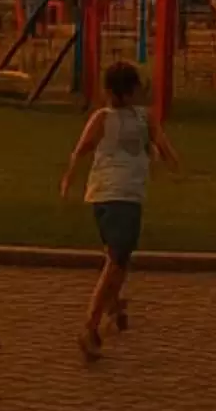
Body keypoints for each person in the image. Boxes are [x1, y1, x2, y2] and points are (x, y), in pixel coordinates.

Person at [60, 60, 179, 362]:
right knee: (116, 261)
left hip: (100, 197)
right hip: (124, 197)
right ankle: (90, 325)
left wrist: (68, 181)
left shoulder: (102, 118)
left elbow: (80, 150)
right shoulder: (143, 119)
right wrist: (174, 165)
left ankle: (114, 307)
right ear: (132, 91)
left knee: (117, 257)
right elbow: (163, 145)